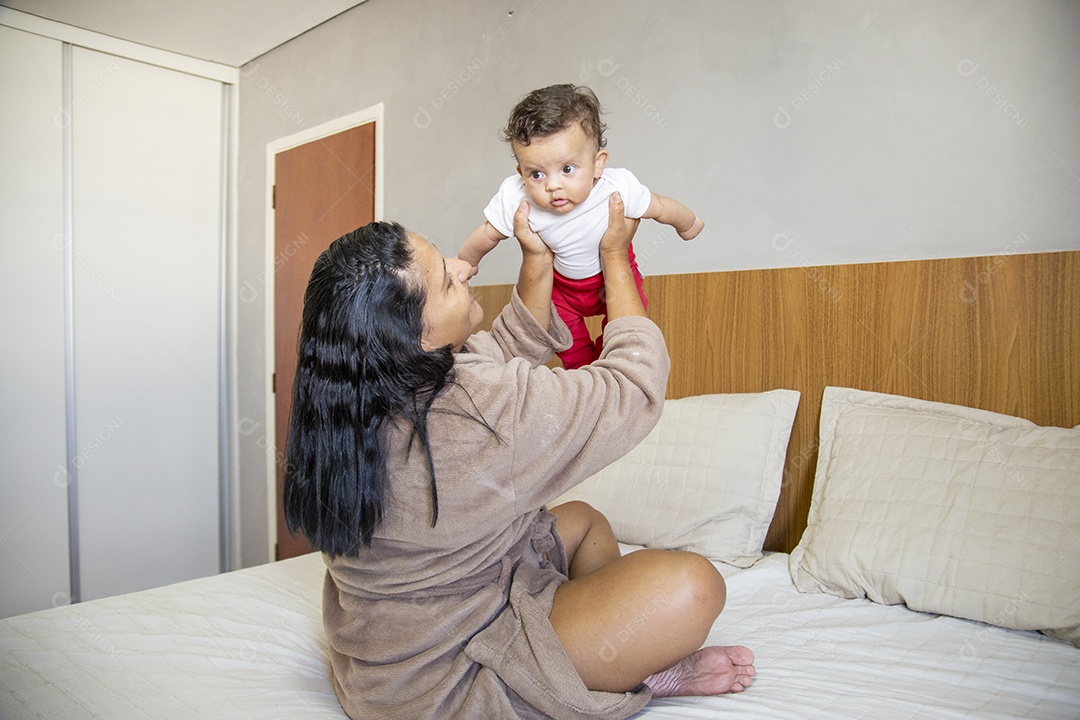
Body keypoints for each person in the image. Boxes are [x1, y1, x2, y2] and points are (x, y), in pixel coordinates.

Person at [284, 193, 754, 720]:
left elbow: (504, 347)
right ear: (417, 339)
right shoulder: (477, 415)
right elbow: (633, 385)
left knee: (584, 521)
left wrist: (537, 258)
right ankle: (615, 668)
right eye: (446, 280)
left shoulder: (349, 398)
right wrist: (616, 259)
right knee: (693, 587)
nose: (463, 267)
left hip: (383, 674)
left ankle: (607, 653)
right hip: (449, 682)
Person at [458, 83, 704, 369]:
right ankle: (584, 375)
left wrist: (688, 223)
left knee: (625, 330)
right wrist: (466, 262)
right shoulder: (516, 196)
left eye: (567, 169)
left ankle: (608, 363)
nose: (553, 185)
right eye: (536, 174)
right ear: (521, 173)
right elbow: (488, 234)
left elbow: (660, 207)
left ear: (598, 164)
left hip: (610, 279)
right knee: (569, 346)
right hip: (561, 288)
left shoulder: (616, 187)